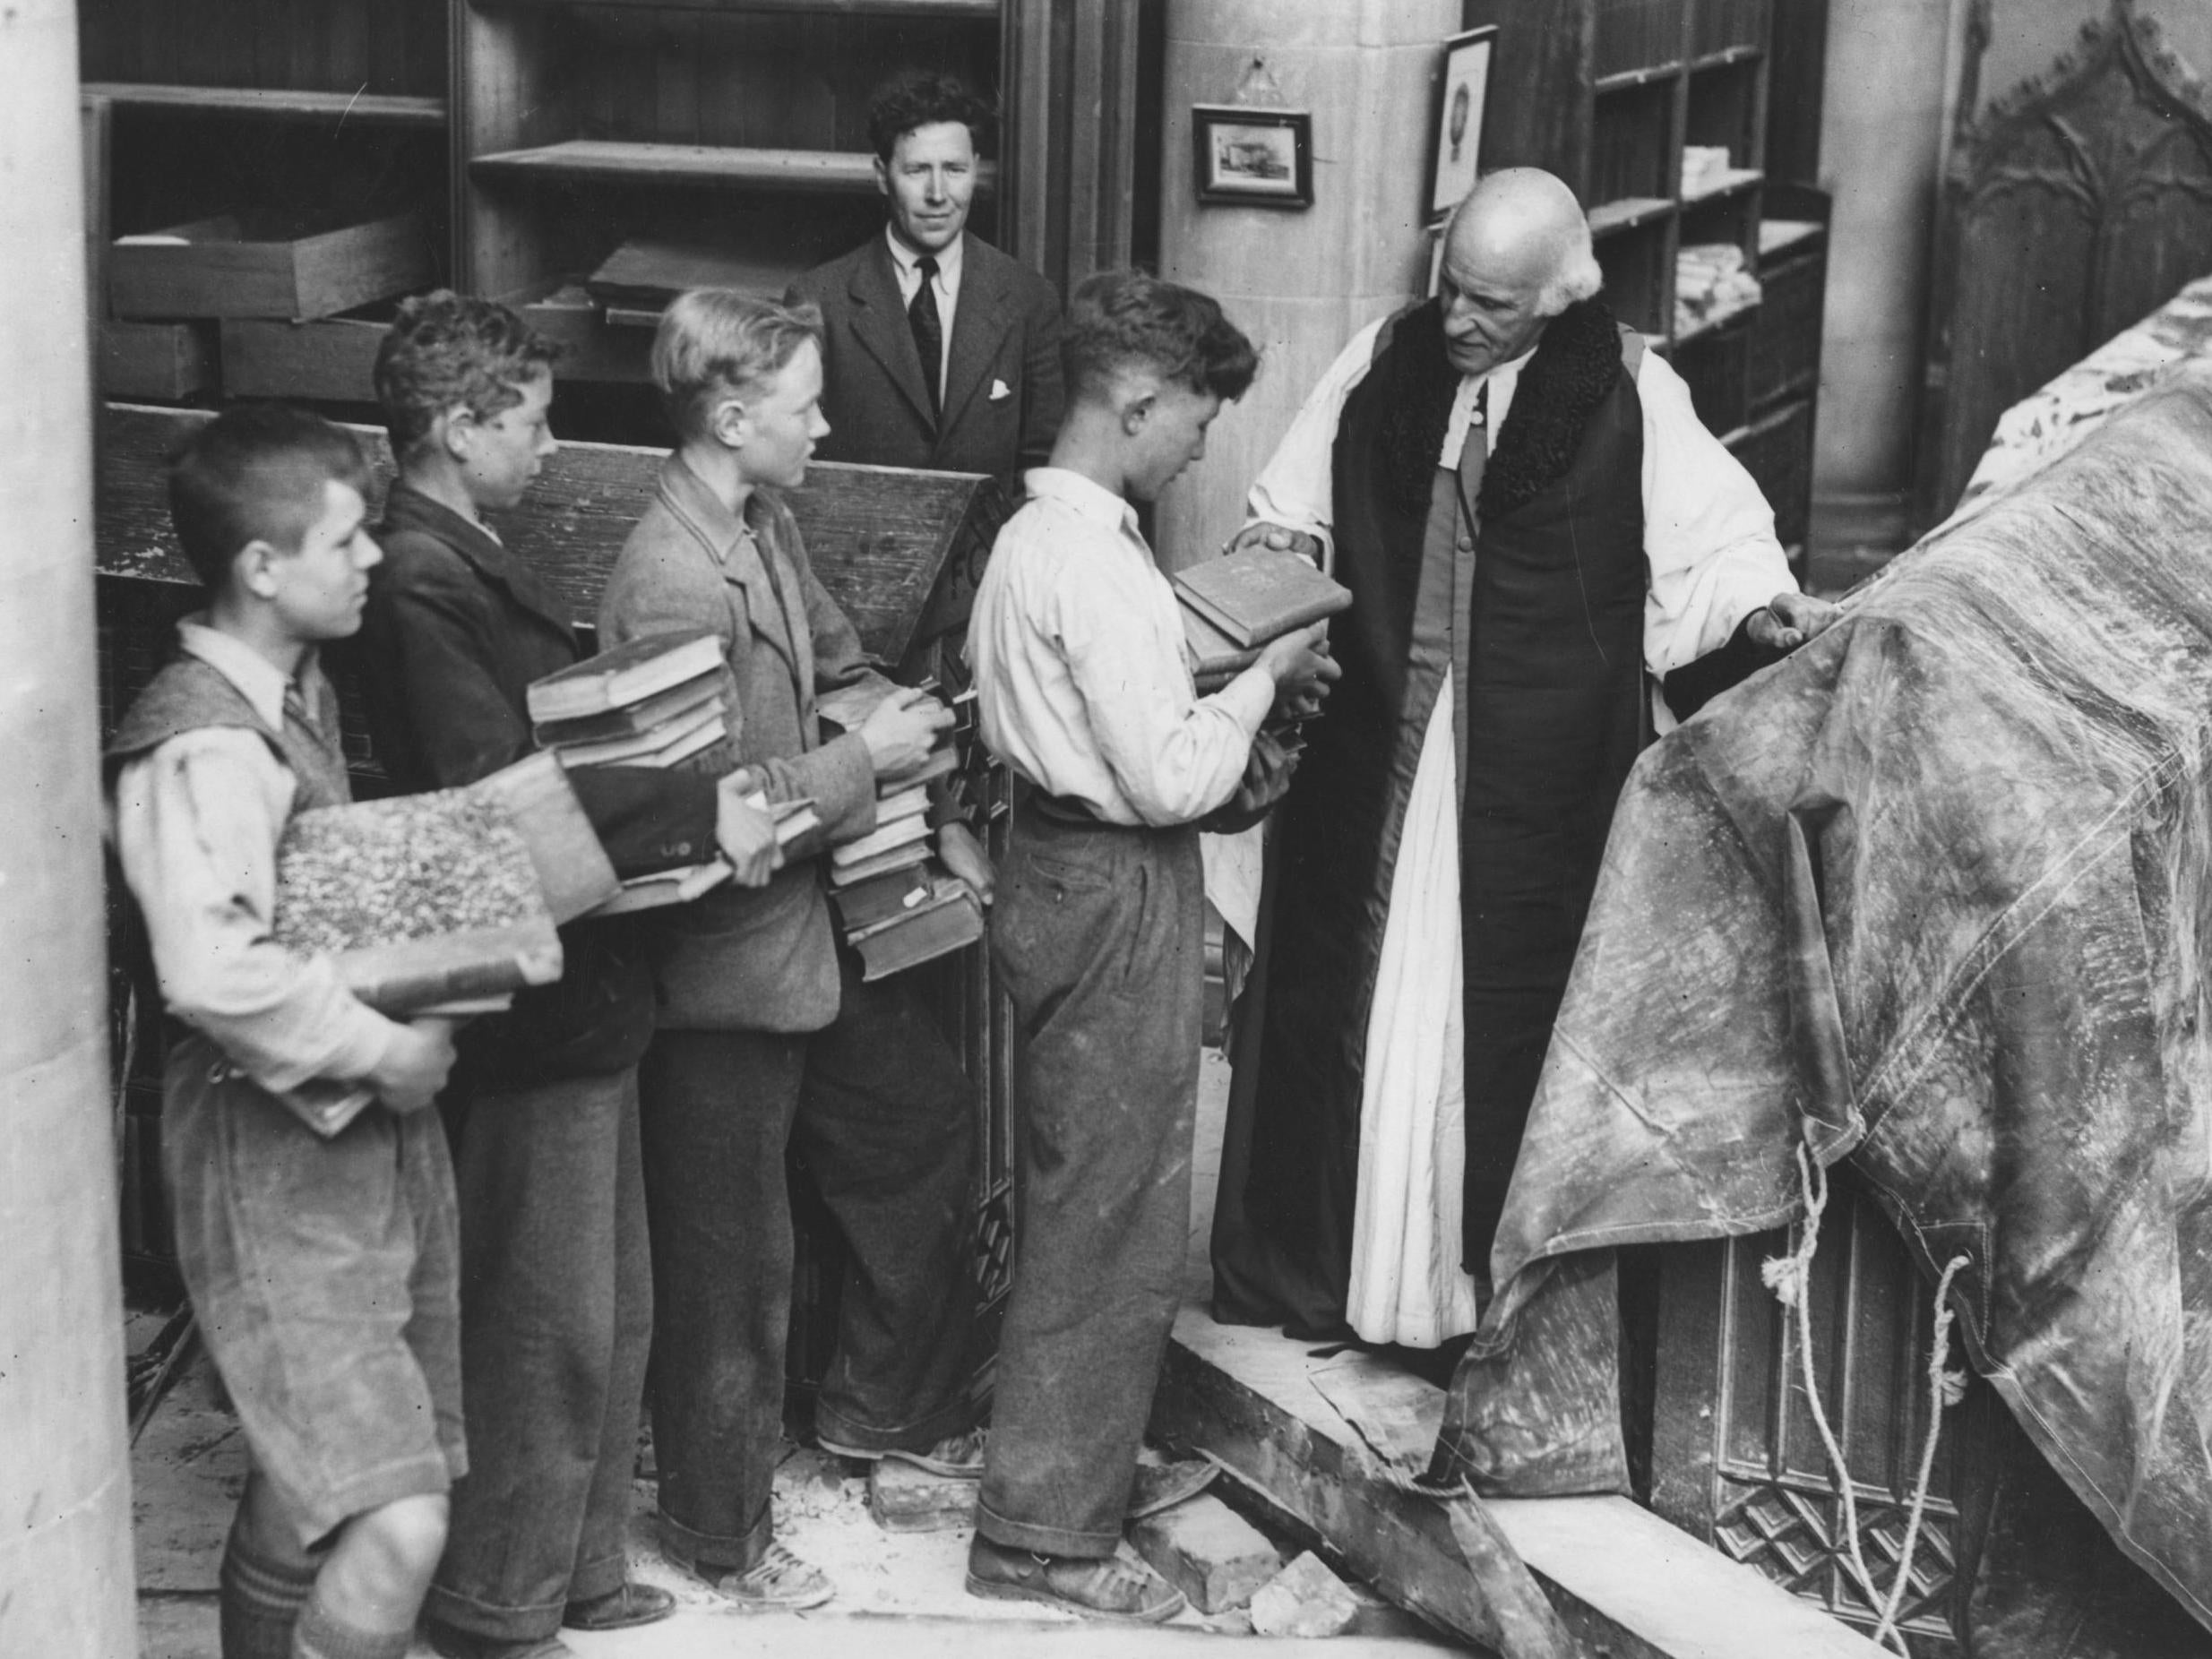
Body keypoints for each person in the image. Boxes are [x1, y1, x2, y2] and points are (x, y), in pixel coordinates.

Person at [1210, 167, 1839, 1348]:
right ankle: (1335, 1278)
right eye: (1452, 290)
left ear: (1561, 296)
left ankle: (1469, 1303)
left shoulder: (1634, 392)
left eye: (1490, 305)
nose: (1456, 321)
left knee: (1495, 1029)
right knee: (1343, 1006)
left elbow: (1718, 551)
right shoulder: (1381, 360)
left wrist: (1763, 614)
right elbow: (1289, 507)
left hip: (1534, 786)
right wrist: (1270, 557)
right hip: (1375, 759)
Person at [353, 291, 783, 1659]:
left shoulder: (453, 550)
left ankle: (576, 1574)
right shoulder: (423, 575)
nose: (548, 448)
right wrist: (685, 816)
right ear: (457, 426)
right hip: (531, 996)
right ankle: (500, 1600)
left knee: (605, 1307)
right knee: (541, 1323)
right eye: (530, 424)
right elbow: (494, 802)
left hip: (579, 987)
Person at [596, 288, 990, 1611]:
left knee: (886, 1150)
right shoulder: (667, 582)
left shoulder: (762, 520)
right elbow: (693, 823)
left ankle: (863, 1427)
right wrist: (861, 762)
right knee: (729, 1268)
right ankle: (724, 1531)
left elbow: (832, 656)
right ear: (728, 416)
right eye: (805, 404)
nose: (827, 422)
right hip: (718, 979)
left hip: (794, 952)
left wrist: (901, 717)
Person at [963, 270, 1338, 1621]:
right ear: (1137, 401)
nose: (1198, 444)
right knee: (1111, 1221)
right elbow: (1175, 778)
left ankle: (1066, 1476)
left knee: (1093, 1199)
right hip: (1114, 883)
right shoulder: (1090, 563)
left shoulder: (1035, 540)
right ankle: (1042, 1538)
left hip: (1059, 867)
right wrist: (1261, 680)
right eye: (1192, 419)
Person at [108, 405, 462, 1659]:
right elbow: (211, 971)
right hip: (268, 1153)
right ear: (263, 567)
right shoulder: (205, 734)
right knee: (396, 1517)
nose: (374, 558)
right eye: (350, 537)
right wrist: (387, 1047)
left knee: (311, 1486)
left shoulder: (288, 692)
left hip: (334, 1142)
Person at [786, 70, 1063, 479]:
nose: (938, 194)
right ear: (883, 176)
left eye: (954, 169)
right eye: (917, 171)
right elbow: (796, 460)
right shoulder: (818, 299)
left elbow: (1042, 462)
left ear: (976, 169)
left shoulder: (1029, 299)